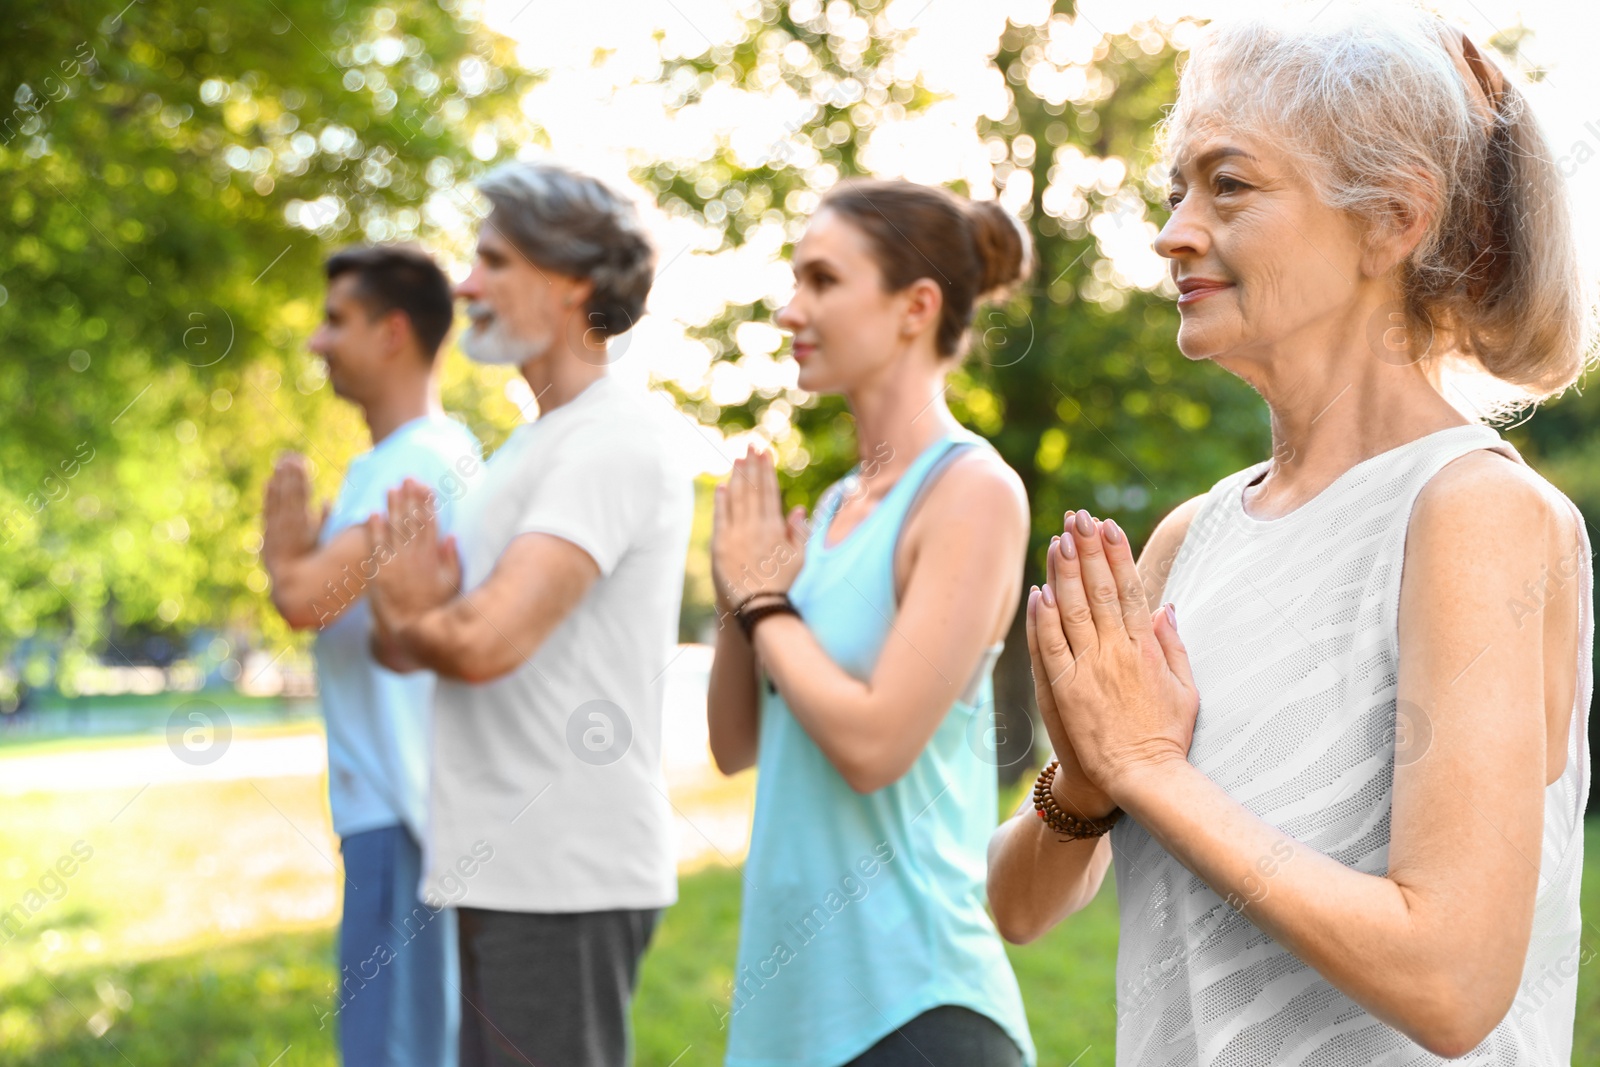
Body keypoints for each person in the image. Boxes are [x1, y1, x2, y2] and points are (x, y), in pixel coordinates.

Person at [987, 4, 1593, 1064]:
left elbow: (1451, 982)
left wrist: (1146, 767)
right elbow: (1018, 907)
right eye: (1177, 187)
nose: (1173, 228)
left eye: (1229, 183)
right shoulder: (1193, 535)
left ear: (1393, 217)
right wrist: (1083, 783)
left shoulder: (1471, 513)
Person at [364, 159, 693, 1067]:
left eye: (493, 261)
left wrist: (410, 609)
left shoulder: (613, 439)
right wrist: (411, 614)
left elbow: (479, 641)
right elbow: (414, 645)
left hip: (565, 869)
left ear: (573, 281)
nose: (466, 284)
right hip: (500, 865)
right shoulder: (532, 446)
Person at [708, 178, 1038, 1067]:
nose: (789, 310)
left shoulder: (972, 491)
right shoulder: (827, 511)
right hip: (788, 1017)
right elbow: (736, 741)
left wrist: (764, 600)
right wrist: (733, 592)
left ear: (914, 308)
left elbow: (875, 744)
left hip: (913, 1010)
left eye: (821, 280)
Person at [262, 244, 480, 1067]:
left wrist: (285, 556)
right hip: (383, 803)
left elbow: (305, 596)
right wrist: (296, 562)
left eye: (336, 321)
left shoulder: (420, 462)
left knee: (399, 1049)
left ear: (393, 333)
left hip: (406, 804)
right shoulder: (384, 464)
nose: (318, 341)